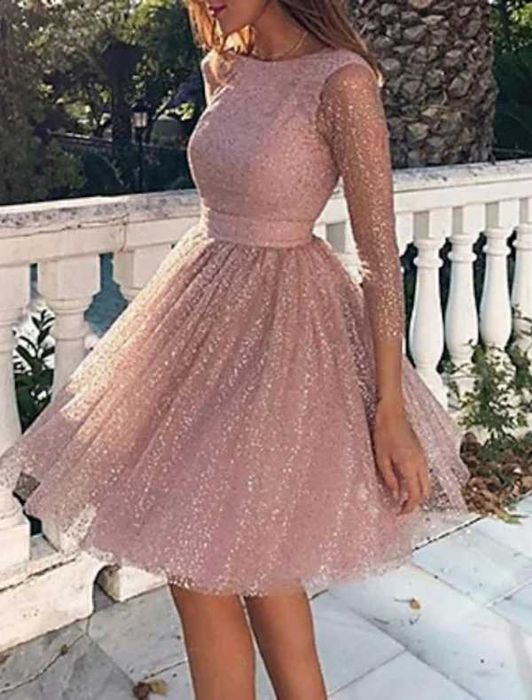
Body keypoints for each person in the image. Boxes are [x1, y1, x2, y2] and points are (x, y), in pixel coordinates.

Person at [0, 0, 472, 697]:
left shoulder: (342, 81)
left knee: (226, 568)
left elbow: (378, 257)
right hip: (200, 317)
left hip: (286, 337)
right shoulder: (222, 66)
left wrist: (390, 407)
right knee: (232, 569)